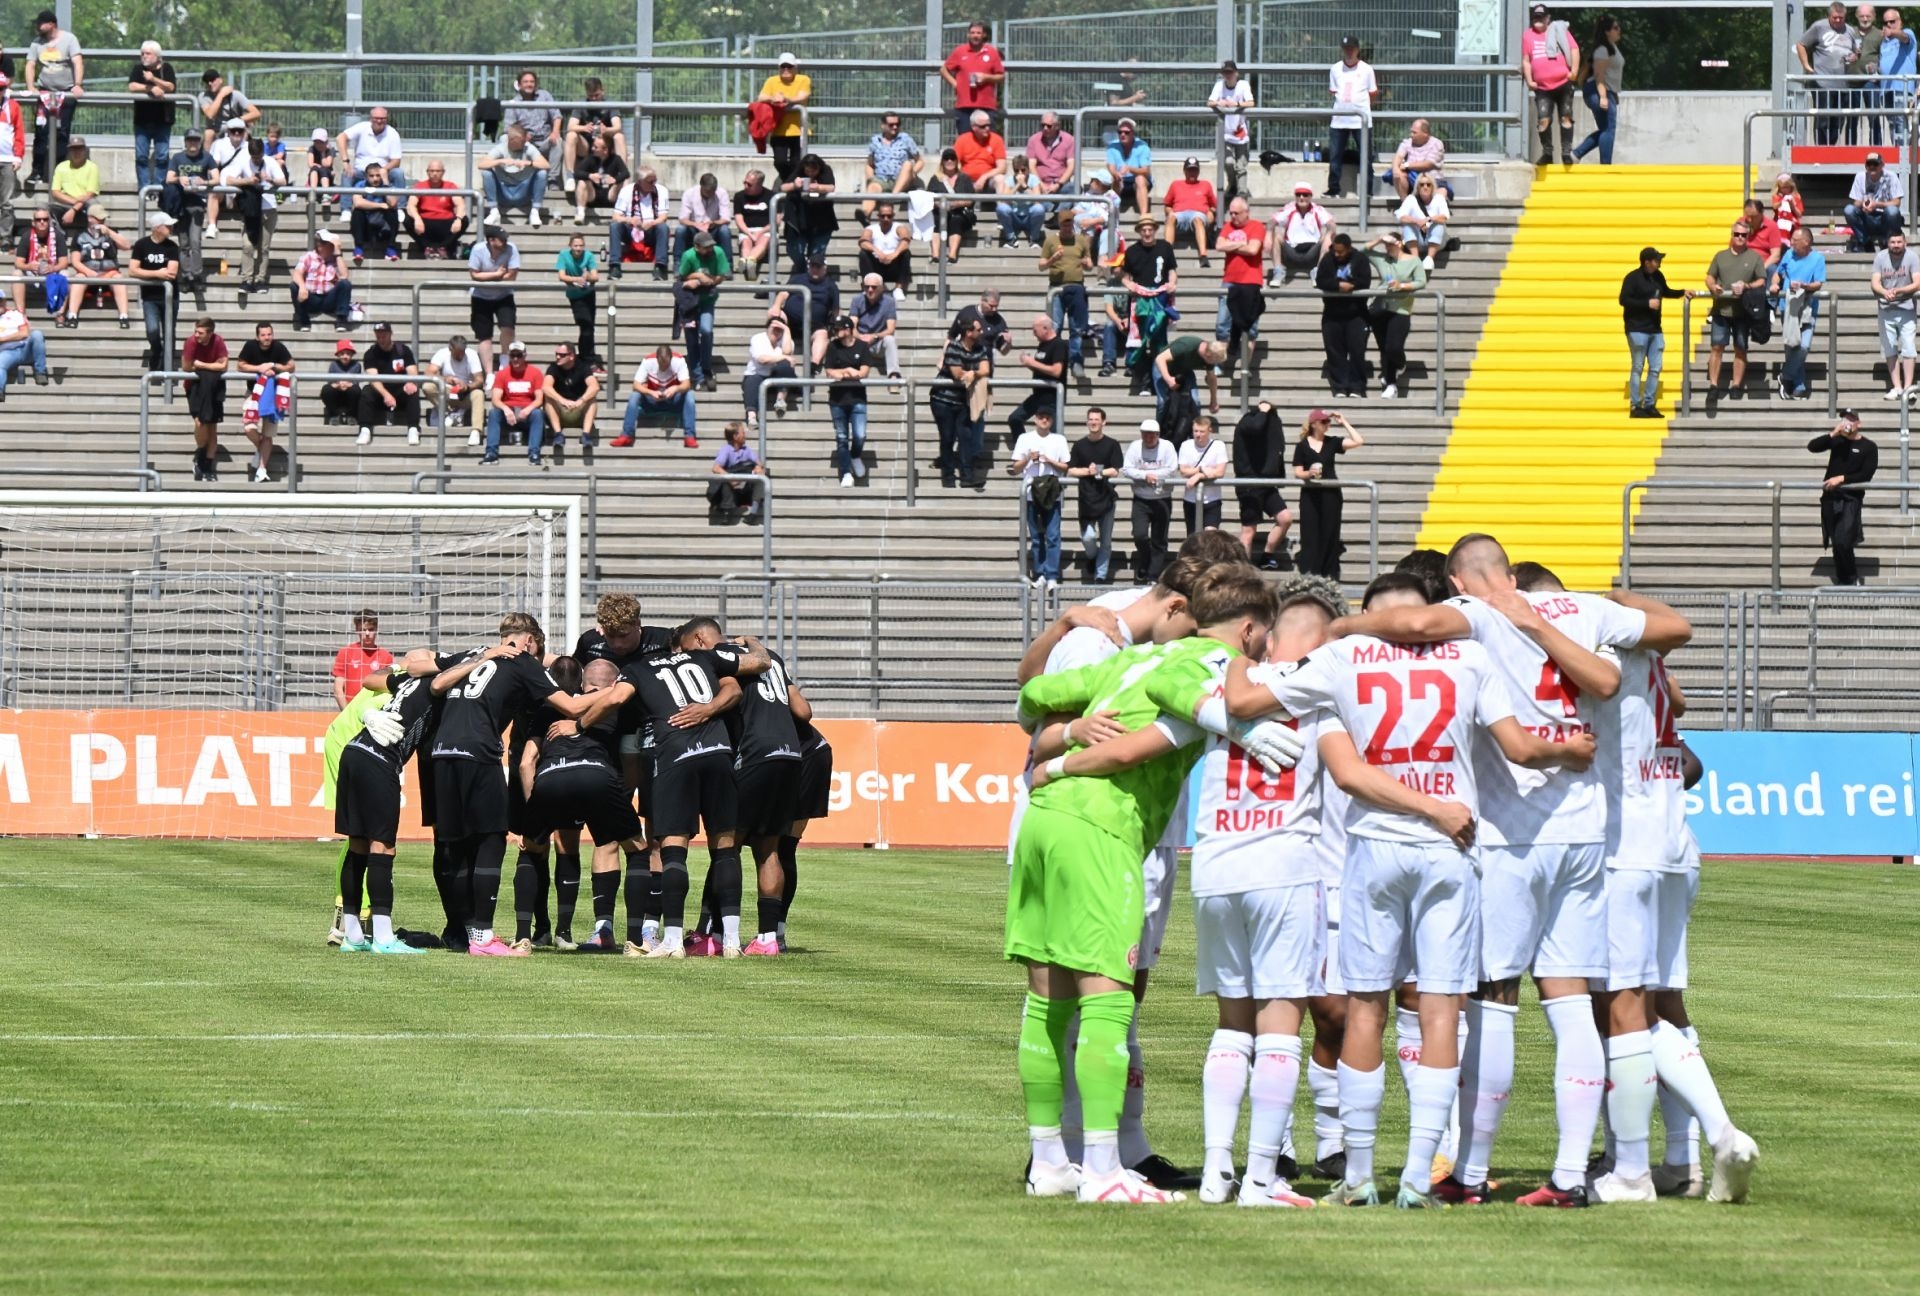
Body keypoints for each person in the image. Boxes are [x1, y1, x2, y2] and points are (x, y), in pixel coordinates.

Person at [1810, 412, 1879, 585]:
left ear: (1859, 424)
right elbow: (1813, 446)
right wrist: (1833, 433)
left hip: (1850, 499)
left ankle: (1851, 575)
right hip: (1830, 498)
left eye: (1851, 419)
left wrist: (1842, 479)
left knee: (1843, 540)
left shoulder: (1868, 446)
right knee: (1836, 540)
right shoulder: (1838, 440)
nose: (1847, 422)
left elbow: (1866, 474)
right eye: (1845, 419)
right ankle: (1843, 578)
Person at [1291, 409, 1362, 578]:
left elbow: (1359, 441)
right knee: (1310, 533)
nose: (1327, 425)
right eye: (1324, 422)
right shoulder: (1302, 446)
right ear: (1314, 424)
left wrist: (1343, 421)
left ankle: (1328, 572)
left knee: (1330, 533)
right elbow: (1297, 471)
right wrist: (1308, 474)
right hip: (1310, 495)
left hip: (1331, 495)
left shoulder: (1332, 442)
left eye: (1328, 422)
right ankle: (1309, 572)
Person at [1619, 246, 1686, 417]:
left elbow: (1667, 291)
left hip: (1655, 329)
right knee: (1638, 366)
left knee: (1655, 367)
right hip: (1637, 329)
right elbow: (1624, 299)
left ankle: (1649, 404)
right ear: (1646, 262)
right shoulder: (1633, 278)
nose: (1659, 263)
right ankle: (1635, 405)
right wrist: (1646, 304)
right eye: (1657, 260)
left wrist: (1683, 292)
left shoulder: (1658, 276)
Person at [1701, 222, 1765, 400]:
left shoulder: (1754, 257)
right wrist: (1713, 286)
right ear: (1732, 234)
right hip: (1721, 310)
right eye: (1737, 234)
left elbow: (1761, 280)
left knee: (1740, 348)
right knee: (1716, 346)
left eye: (1744, 235)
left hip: (1743, 311)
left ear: (1748, 237)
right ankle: (1714, 385)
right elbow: (1709, 276)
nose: (1740, 238)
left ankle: (1736, 385)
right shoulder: (1720, 256)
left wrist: (1746, 286)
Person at [1231, 402, 1293, 570]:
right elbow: (1256, 427)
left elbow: (1278, 448)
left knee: (1285, 518)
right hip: (1249, 484)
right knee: (1249, 530)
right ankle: (1243, 570)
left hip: (1266, 484)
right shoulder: (1248, 422)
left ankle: (1267, 556)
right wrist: (1263, 411)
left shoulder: (1270, 424)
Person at [23, 10, 83, 185]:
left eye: (40, 23)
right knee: (41, 133)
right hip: (44, 93)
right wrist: (30, 87)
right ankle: (37, 171)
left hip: (66, 92)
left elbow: (77, 61)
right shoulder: (37, 43)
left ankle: (60, 174)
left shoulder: (69, 39)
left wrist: (77, 84)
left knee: (62, 133)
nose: (37, 26)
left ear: (51, 24)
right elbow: (30, 64)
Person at [1011, 407, 1070, 583]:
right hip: (1031, 494)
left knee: (1052, 536)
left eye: (1047, 418)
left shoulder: (1059, 439)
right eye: (1041, 417)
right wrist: (1029, 457)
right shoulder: (1025, 438)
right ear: (1035, 419)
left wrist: (1050, 460)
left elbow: (1066, 467)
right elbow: (1015, 468)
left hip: (1052, 494)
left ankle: (1052, 574)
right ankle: (1039, 573)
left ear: (1051, 421)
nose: (1044, 420)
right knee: (1036, 537)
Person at [932, 314, 990, 489]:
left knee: (966, 437)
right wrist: (973, 371)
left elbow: (986, 369)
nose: (982, 332)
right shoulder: (953, 347)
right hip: (943, 400)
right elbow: (957, 374)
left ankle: (967, 476)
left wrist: (975, 373)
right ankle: (948, 475)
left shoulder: (980, 348)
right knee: (948, 437)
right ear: (968, 332)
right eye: (978, 329)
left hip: (963, 401)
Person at [1068, 407, 1125, 583]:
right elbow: (1071, 470)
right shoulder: (1079, 445)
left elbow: (1115, 470)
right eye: (1090, 419)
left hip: (1106, 498)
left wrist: (1098, 471)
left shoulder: (1112, 444)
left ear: (1103, 422)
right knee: (1088, 536)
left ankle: (1100, 575)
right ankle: (1092, 556)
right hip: (1086, 498)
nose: (1093, 422)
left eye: (1096, 419)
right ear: (1087, 422)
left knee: (1106, 541)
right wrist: (1088, 471)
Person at [1367, 230, 1426, 399]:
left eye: (1390, 244)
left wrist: (1403, 286)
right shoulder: (1383, 259)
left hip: (1400, 309)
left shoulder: (1413, 261)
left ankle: (1400, 364)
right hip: (1380, 307)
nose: (1387, 248)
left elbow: (1421, 281)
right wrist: (1378, 239)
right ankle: (1391, 384)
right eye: (1386, 245)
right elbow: (1363, 251)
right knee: (1384, 348)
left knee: (1393, 347)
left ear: (1399, 243)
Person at [1772, 226, 1828, 400]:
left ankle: (1785, 376)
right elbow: (1777, 274)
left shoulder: (1818, 259)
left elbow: (1818, 284)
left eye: (1795, 240)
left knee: (1803, 346)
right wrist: (1774, 284)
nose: (1791, 243)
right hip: (1788, 306)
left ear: (1806, 242)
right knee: (1792, 346)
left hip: (1808, 307)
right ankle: (1798, 386)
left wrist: (1803, 285)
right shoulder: (1788, 254)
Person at [1316, 233, 1373, 398]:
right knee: (1334, 351)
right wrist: (1338, 285)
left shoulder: (1360, 259)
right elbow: (1321, 280)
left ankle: (1356, 387)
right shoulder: (1328, 258)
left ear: (1348, 249)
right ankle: (1340, 387)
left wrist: (1352, 286)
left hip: (1356, 314)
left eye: (1340, 252)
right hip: (1332, 314)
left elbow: (1365, 281)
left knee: (1357, 350)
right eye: (1335, 251)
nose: (1337, 255)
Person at [820, 313, 874, 487]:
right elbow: (829, 371)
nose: (835, 332)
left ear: (848, 329)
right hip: (837, 399)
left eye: (838, 328)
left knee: (860, 434)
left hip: (857, 397)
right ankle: (845, 472)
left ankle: (855, 455)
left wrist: (850, 372)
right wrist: (847, 372)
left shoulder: (862, 346)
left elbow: (863, 372)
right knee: (842, 437)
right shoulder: (832, 346)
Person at [234, 319, 292, 480]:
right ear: (257, 337)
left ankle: (262, 469)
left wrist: (273, 365)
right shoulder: (250, 346)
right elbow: (240, 365)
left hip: (274, 395)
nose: (267, 338)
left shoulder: (278, 347)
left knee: (268, 434)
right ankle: (262, 448)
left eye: (269, 334)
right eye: (264, 335)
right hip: (254, 393)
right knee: (249, 427)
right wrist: (259, 368)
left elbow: (291, 366)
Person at [1521, 5, 1579, 167]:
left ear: (1548, 18)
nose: (1538, 20)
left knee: (1566, 117)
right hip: (1542, 87)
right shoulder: (1527, 36)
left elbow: (1574, 49)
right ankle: (1547, 153)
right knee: (1543, 120)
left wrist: (1574, 71)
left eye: (1541, 17)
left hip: (1563, 83)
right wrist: (1529, 80)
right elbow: (1526, 60)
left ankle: (1566, 152)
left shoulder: (1559, 30)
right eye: (1535, 17)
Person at [1123, 418, 1178, 581]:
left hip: (1162, 498)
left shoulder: (1167, 447)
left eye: (1152, 435)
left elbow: (1171, 469)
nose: (1148, 438)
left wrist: (1155, 475)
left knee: (1159, 539)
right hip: (1141, 498)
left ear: (1158, 435)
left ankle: (1153, 575)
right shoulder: (1135, 447)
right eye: (1145, 435)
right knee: (1140, 535)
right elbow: (1127, 469)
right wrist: (1145, 476)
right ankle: (1145, 560)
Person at [1802, 3, 1864, 147]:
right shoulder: (1819, 27)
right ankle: (1821, 149)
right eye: (1835, 18)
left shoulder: (1850, 31)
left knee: (1839, 119)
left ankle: (1830, 147)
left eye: (1840, 18)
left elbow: (1856, 52)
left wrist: (1855, 57)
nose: (1837, 21)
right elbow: (1801, 44)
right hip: (1822, 82)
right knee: (1823, 118)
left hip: (1842, 83)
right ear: (1828, 16)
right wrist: (1806, 65)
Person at [677, 229, 730, 393]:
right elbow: (682, 276)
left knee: (706, 331)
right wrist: (697, 277)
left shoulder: (718, 252)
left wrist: (708, 281)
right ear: (696, 247)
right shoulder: (688, 256)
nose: (709, 250)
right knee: (691, 338)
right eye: (706, 247)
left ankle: (706, 367)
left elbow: (722, 275)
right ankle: (697, 374)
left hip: (707, 300)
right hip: (689, 302)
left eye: (710, 246)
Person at [1039, 222, 1094, 379]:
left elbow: (1090, 264)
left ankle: (1076, 361)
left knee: (1076, 329)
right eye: (1064, 227)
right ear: (1060, 227)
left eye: (1070, 227)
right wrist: (1052, 259)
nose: (1067, 230)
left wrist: (1086, 264)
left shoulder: (1081, 240)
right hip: (1056, 288)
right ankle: (1052, 361)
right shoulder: (1051, 241)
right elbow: (1041, 266)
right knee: (1054, 327)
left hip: (1076, 287)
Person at [619, 343, 698, 449]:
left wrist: (676, 388)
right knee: (634, 395)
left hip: (673, 400)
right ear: (656, 359)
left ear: (671, 358)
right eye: (661, 364)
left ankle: (689, 436)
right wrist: (650, 392)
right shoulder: (647, 361)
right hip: (652, 401)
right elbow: (635, 385)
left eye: (667, 364)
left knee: (689, 394)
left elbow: (687, 384)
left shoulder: (679, 360)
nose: (664, 368)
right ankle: (627, 435)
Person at [356, 320, 421, 447]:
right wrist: (386, 394)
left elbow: (412, 371)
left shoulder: (403, 350)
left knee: (413, 391)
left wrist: (411, 382)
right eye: (378, 335)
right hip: (381, 391)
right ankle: (365, 429)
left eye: (384, 334)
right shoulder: (371, 353)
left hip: (399, 389)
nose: (381, 338)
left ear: (391, 334)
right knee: (366, 391)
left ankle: (413, 429)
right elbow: (373, 377)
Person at [1872, 229, 1920, 401]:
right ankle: (1897, 387)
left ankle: (1908, 388)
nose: (1896, 245)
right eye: (1893, 242)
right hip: (1886, 308)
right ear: (1888, 243)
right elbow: (1875, 282)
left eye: (1899, 242)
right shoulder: (1880, 257)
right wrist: (1885, 292)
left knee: (1908, 347)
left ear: (1905, 243)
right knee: (1889, 348)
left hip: (1906, 308)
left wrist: (1898, 291)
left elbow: (1917, 282)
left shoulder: (1912, 257)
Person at [64, 203, 130, 328]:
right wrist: (89, 273)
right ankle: (72, 315)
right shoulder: (80, 236)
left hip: (109, 273)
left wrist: (110, 233)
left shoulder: (111, 233)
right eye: (99, 219)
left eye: (103, 219)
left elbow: (127, 246)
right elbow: (75, 261)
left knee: (119, 279)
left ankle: (124, 317)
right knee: (78, 279)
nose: (101, 221)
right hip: (88, 273)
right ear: (90, 218)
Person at [1327, 36, 1377, 196]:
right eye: (1346, 48)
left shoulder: (1366, 69)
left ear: (1357, 50)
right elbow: (1333, 91)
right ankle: (1334, 188)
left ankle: (1367, 190)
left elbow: (1373, 93)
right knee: (1335, 156)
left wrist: (1362, 106)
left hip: (1361, 120)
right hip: (1339, 119)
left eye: (1352, 48)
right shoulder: (1335, 68)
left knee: (1366, 157)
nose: (1349, 51)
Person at [483, 341, 546, 466]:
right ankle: (491, 453)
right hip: (509, 412)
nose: (516, 359)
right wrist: (506, 410)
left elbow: (539, 399)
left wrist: (527, 410)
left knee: (538, 414)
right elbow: (495, 399)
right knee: (494, 413)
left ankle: (534, 453)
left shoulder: (535, 373)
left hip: (527, 412)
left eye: (519, 355)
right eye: (513, 355)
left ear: (525, 355)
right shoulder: (502, 374)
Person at [130, 211, 180, 370]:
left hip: (170, 297)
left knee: (169, 333)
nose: (171, 228)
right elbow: (132, 270)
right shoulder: (141, 245)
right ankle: (156, 351)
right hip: (150, 297)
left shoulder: (172, 246)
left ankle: (168, 367)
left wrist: (147, 274)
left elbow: (171, 273)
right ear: (158, 228)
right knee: (152, 330)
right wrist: (157, 274)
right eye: (168, 225)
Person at [467, 224, 519, 375]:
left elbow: (512, 276)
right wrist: (497, 275)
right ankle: (489, 373)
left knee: (508, 327)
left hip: (504, 295)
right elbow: (475, 275)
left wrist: (488, 277)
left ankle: (504, 360)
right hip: (480, 297)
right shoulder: (478, 249)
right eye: (501, 240)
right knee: (484, 336)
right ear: (491, 241)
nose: (505, 242)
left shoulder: (511, 249)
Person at [1008, 314, 1068, 445]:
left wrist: (1032, 363)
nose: (1033, 334)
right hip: (1038, 396)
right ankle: (1024, 451)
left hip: (1052, 399)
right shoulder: (1042, 345)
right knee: (1015, 419)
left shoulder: (1058, 345)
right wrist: (1029, 364)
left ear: (1045, 328)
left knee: (1051, 437)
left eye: (1035, 330)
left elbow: (1057, 371)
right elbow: (1043, 370)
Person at [181, 316, 227, 480]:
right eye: (196, 331)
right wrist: (209, 366)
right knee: (200, 422)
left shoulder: (218, 341)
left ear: (210, 333)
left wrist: (201, 365)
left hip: (213, 387)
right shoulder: (191, 342)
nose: (197, 335)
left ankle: (206, 465)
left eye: (200, 332)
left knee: (212, 428)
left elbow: (223, 365)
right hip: (194, 387)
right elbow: (186, 367)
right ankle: (200, 455)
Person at [1572, 15, 1623, 165]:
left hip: (1606, 91)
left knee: (1605, 129)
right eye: (1615, 28)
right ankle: (1605, 166)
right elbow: (1599, 75)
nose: (1619, 30)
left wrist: (1613, 93)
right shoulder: (1602, 49)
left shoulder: (1611, 47)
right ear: (1607, 31)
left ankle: (1575, 155)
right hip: (1598, 90)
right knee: (1608, 129)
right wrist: (1603, 96)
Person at [126, 42, 176, 192]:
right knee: (141, 156)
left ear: (157, 56)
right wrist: (149, 88)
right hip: (142, 120)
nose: (144, 57)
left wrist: (153, 80)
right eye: (142, 53)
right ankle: (144, 188)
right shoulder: (138, 69)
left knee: (162, 156)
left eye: (148, 53)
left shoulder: (167, 68)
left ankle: (159, 188)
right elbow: (132, 86)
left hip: (163, 120)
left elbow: (171, 87)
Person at [756, 53, 810, 184]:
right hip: (778, 129)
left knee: (797, 162)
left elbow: (803, 97)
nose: (786, 69)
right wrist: (773, 98)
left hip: (798, 130)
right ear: (779, 68)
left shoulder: (803, 79)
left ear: (795, 68)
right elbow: (761, 98)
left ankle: (789, 185)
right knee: (780, 161)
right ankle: (789, 183)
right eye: (783, 67)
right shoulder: (772, 81)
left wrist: (787, 99)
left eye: (789, 66)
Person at [943, 21, 1005, 135]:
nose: (975, 35)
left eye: (978, 33)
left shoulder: (992, 52)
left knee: (987, 140)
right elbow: (944, 69)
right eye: (972, 33)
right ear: (968, 35)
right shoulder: (960, 51)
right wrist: (955, 83)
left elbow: (1001, 76)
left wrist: (986, 78)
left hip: (986, 106)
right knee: (965, 139)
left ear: (984, 35)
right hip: (964, 106)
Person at [479, 123, 548, 226]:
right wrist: (500, 161)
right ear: (512, 140)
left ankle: (535, 211)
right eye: (521, 141)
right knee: (486, 172)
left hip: (523, 191)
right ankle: (494, 211)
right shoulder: (500, 149)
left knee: (542, 173)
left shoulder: (528, 147)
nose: (524, 143)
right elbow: (481, 164)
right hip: (503, 191)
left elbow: (546, 165)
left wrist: (529, 163)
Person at [773, 255, 838, 363]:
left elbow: (836, 309)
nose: (815, 269)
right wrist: (776, 306)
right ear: (809, 267)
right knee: (775, 316)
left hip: (814, 326)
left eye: (818, 267)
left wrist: (836, 323)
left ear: (824, 268)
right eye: (813, 266)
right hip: (791, 322)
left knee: (822, 334)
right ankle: (775, 354)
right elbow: (783, 293)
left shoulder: (831, 286)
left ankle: (814, 364)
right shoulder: (798, 278)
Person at [781, 152, 839, 271]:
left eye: (813, 171)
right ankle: (803, 270)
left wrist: (818, 187)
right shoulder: (799, 170)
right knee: (794, 250)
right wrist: (795, 185)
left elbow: (831, 187)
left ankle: (812, 274)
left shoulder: (826, 170)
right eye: (808, 171)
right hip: (800, 219)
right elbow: (783, 187)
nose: (810, 174)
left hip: (821, 219)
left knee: (816, 254)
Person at [610, 169, 672, 276]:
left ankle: (660, 266)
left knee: (663, 227)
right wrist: (629, 220)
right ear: (639, 182)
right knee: (615, 226)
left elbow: (663, 217)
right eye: (650, 182)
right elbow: (615, 216)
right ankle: (615, 265)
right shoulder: (627, 190)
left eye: (655, 181)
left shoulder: (662, 190)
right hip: (631, 230)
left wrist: (651, 223)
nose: (654, 184)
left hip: (651, 229)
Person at [503, 70, 562, 183]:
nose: (529, 84)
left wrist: (555, 132)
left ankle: (553, 180)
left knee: (558, 141)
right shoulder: (513, 104)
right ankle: (519, 179)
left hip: (546, 140)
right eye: (525, 82)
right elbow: (508, 129)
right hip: (527, 144)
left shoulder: (544, 96)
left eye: (532, 81)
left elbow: (557, 116)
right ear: (519, 85)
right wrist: (522, 135)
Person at [289, 227, 352, 332]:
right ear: (320, 246)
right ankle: (304, 321)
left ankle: (341, 319)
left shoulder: (336, 259)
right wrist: (302, 287)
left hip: (329, 298)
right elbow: (296, 273)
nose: (333, 247)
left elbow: (345, 275)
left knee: (345, 284)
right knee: (293, 286)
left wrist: (338, 253)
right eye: (331, 245)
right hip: (311, 298)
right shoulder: (308, 257)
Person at [1209, 60, 1255, 200]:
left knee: (1241, 165)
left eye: (1230, 72)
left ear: (1236, 73)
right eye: (1225, 73)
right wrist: (1219, 103)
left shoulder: (1243, 85)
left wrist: (1235, 104)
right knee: (1228, 162)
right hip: (1226, 133)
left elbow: (1251, 103)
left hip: (1240, 132)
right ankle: (1233, 184)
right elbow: (1210, 102)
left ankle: (1242, 193)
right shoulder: (1219, 86)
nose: (1228, 75)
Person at [554, 231, 601, 367]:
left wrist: (587, 277)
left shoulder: (589, 256)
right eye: (575, 246)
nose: (578, 249)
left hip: (588, 294)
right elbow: (561, 276)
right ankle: (588, 360)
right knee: (585, 324)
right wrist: (576, 279)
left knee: (588, 328)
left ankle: (586, 358)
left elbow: (595, 277)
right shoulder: (563, 255)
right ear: (570, 246)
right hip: (575, 296)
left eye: (581, 246)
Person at [1177, 414, 1228, 535]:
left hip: (1212, 500)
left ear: (1209, 431)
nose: (1198, 435)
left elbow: (1220, 472)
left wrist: (1199, 476)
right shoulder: (1186, 445)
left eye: (1202, 431)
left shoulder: (1218, 445)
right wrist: (1202, 469)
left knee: (1210, 536)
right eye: (1195, 431)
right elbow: (1183, 471)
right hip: (1190, 500)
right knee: (1193, 537)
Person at [925, 148, 978, 263]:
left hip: (959, 213)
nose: (949, 161)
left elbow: (971, 199)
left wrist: (956, 204)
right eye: (946, 158)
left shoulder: (964, 178)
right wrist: (941, 205)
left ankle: (952, 254)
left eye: (952, 158)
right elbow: (928, 198)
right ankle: (935, 254)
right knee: (936, 219)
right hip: (940, 211)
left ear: (956, 161)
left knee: (956, 220)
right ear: (942, 162)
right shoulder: (935, 179)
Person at [542, 341, 600, 449]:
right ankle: (558, 434)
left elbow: (595, 386)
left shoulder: (583, 367)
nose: (558, 357)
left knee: (592, 399)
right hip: (561, 411)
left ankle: (586, 435)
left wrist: (580, 401)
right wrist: (562, 400)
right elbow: (546, 387)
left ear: (572, 356)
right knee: (548, 398)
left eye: (562, 355)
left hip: (578, 410)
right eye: (556, 354)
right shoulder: (553, 368)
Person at [331, 611, 393, 709]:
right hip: (351, 709)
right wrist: (346, 712)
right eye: (363, 630)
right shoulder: (346, 652)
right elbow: (338, 687)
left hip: (374, 711)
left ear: (376, 630)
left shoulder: (386, 656)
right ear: (357, 630)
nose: (367, 633)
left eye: (371, 629)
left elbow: (387, 688)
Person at [407, 158, 467, 260]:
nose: (435, 173)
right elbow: (410, 205)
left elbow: (460, 204)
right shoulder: (420, 186)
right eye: (432, 171)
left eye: (438, 171)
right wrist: (417, 218)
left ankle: (442, 247)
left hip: (445, 222)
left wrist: (458, 219)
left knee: (464, 220)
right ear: (427, 172)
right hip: (425, 222)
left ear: (443, 172)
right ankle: (427, 247)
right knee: (407, 219)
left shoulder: (450, 186)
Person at [742, 315, 796, 427]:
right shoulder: (758, 338)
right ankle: (751, 416)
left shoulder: (787, 340)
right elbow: (762, 359)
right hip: (758, 374)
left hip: (776, 376)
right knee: (752, 381)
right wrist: (783, 357)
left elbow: (787, 352)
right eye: (774, 328)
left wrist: (787, 330)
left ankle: (781, 400)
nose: (776, 332)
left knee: (786, 366)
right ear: (767, 328)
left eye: (780, 329)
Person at [564, 77, 626, 174]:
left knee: (619, 136)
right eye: (590, 96)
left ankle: (623, 176)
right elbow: (570, 127)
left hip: (606, 144)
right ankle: (570, 176)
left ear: (602, 91)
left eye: (596, 95)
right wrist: (584, 128)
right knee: (571, 135)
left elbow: (617, 127)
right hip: (587, 146)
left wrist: (606, 130)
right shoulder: (581, 104)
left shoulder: (610, 104)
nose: (593, 99)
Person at [424, 334, 484, 433]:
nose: (460, 356)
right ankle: (448, 411)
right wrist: (446, 379)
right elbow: (428, 373)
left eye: (462, 353)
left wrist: (467, 387)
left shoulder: (472, 355)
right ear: (450, 349)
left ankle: (476, 431)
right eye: (457, 354)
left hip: (464, 394)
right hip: (447, 391)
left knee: (479, 394)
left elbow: (480, 380)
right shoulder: (442, 354)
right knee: (428, 386)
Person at [1275, 183, 1335, 280]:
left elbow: (1331, 224)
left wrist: (1329, 234)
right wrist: (1269, 233)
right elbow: (1273, 221)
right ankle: (1278, 271)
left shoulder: (1318, 209)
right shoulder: (1289, 208)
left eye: (1305, 195)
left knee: (1329, 235)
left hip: (1312, 253)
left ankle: (1318, 271)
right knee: (1275, 235)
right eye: (1298, 195)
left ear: (1311, 196)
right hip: (1292, 251)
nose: (1301, 198)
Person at [1845, 151, 1904, 251]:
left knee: (1892, 211)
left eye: (1875, 164)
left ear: (1882, 165)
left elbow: (1896, 202)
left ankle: (1887, 240)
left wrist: (1877, 205)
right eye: (1869, 164)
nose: (1872, 167)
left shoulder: (1891, 176)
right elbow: (1856, 203)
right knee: (1849, 210)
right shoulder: (1860, 177)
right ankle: (1865, 241)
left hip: (1884, 218)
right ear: (1865, 166)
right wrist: (1863, 204)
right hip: (1867, 217)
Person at [1164, 157, 1218, 265]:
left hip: (1199, 215)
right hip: (1179, 215)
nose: (1192, 173)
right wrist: (1169, 212)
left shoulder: (1206, 185)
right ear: (1184, 171)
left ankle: (1203, 255)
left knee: (1197, 219)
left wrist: (1211, 213)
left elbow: (1215, 205)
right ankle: (1167, 254)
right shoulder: (1175, 184)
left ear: (1198, 171)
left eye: (1195, 170)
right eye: (1190, 170)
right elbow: (1167, 205)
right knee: (1171, 217)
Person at [708, 421, 765, 522]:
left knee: (763, 475)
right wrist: (731, 479)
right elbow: (716, 468)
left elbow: (759, 463)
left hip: (744, 488)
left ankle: (753, 514)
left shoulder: (746, 450)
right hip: (730, 491)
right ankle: (726, 513)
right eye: (743, 433)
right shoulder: (726, 450)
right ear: (735, 436)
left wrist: (758, 467)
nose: (745, 435)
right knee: (725, 479)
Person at [864, 113, 922, 212]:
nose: (895, 127)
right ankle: (865, 214)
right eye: (891, 124)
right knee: (873, 187)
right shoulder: (875, 141)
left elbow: (920, 161)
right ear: (883, 125)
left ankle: (891, 199)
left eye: (897, 124)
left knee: (908, 164)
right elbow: (869, 164)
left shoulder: (905, 139)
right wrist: (871, 178)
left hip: (901, 180)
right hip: (882, 179)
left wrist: (913, 172)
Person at [347, 159, 402, 263]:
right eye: (372, 176)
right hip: (367, 225)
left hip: (383, 225)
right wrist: (381, 205)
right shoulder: (360, 185)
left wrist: (385, 183)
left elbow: (393, 203)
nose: (375, 179)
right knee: (357, 212)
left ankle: (390, 248)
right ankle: (358, 248)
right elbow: (358, 202)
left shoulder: (388, 186)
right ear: (366, 176)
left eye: (378, 175)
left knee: (392, 211)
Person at [11, 206, 63, 312]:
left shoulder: (57, 236)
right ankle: (21, 313)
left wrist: (53, 268)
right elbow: (18, 263)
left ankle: (60, 314)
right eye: (38, 220)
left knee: (65, 274)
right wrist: (28, 266)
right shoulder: (27, 236)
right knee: (16, 274)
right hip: (32, 275)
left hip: (51, 275)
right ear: (33, 223)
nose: (42, 222)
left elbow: (64, 262)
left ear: (49, 221)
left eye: (45, 219)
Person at [337, 106, 403, 187]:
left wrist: (385, 169)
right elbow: (341, 138)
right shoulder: (362, 127)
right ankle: (345, 200)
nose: (379, 121)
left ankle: (402, 200)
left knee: (398, 173)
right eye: (376, 118)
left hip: (383, 171)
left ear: (387, 119)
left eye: (382, 118)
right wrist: (346, 162)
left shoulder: (393, 133)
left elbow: (396, 161)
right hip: (361, 171)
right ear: (370, 118)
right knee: (347, 174)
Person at [853, 273, 901, 381]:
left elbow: (890, 329)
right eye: (867, 287)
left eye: (874, 287)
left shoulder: (889, 302)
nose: (870, 290)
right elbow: (852, 325)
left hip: (878, 342)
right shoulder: (857, 300)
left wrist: (874, 337)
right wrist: (860, 338)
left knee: (890, 339)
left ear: (881, 288)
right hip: (860, 341)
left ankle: (894, 376)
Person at [1394, 174, 1449, 269]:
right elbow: (1401, 216)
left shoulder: (1439, 199)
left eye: (1428, 184)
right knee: (1407, 225)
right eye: (1422, 184)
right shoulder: (1411, 199)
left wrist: (1429, 220)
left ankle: (1429, 259)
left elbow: (1444, 217)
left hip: (1436, 240)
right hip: (1417, 239)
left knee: (1439, 225)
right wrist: (1418, 222)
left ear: (1433, 187)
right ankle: (1415, 259)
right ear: (1417, 187)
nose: (1425, 187)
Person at [574, 135, 631, 226]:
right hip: (593, 195)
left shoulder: (616, 159)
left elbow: (626, 173)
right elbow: (576, 173)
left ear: (605, 150)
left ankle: (625, 212)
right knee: (582, 181)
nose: (592, 148)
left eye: (596, 147)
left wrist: (614, 180)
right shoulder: (590, 158)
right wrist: (590, 176)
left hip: (611, 195)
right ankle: (580, 213)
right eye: (593, 145)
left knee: (625, 181)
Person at [672, 171, 730, 259]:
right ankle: (678, 263)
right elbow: (683, 219)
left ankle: (728, 265)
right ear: (701, 186)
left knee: (724, 230)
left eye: (713, 191)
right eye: (707, 191)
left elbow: (726, 219)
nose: (710, 194)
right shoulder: (690, 193)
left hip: (713, 229)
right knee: (681, 230)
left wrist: (713, 223)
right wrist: (696, 225)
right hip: (694, 229)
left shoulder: (721, 193)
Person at [858, 203, 912, 294]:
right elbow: (863, 241)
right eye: (883, 216)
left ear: (893, 216)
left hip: (894, 264)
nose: (886, 219)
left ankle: (898, 288)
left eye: (889, 216)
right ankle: (870, 285)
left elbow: (906, 241)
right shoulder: (871, 228)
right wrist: (878, 252)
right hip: (877, 265)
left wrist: (894, 254)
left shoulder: (899, 227)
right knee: (863, 253)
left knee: (906, 253)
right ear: (878, 216)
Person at [194, 68, 257, 146]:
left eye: (212, 80)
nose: (210, 83)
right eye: (207, 81)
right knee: (208, 133)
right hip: (216, 131)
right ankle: (208, 157)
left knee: (243, 133)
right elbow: (210, 115)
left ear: (220, 80)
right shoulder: (203, 96)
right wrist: (221, 95)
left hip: (234, 128)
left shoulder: (235, 95)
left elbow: (256, 113)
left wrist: (237, 120)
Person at [1882, 7, 1917, 148]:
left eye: (1892, 21)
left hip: (1901, 87)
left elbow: (1904, 37)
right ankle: (1898, 151)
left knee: (1900, 121)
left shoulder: (1907, 33)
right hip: (1886, 89)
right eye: (1886, 22)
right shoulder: (1884, 42)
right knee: (1892, 124)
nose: (1889, 25)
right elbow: (1886, 63)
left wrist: (1893, 33)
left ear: (1900, 21)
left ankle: (1904, 155)